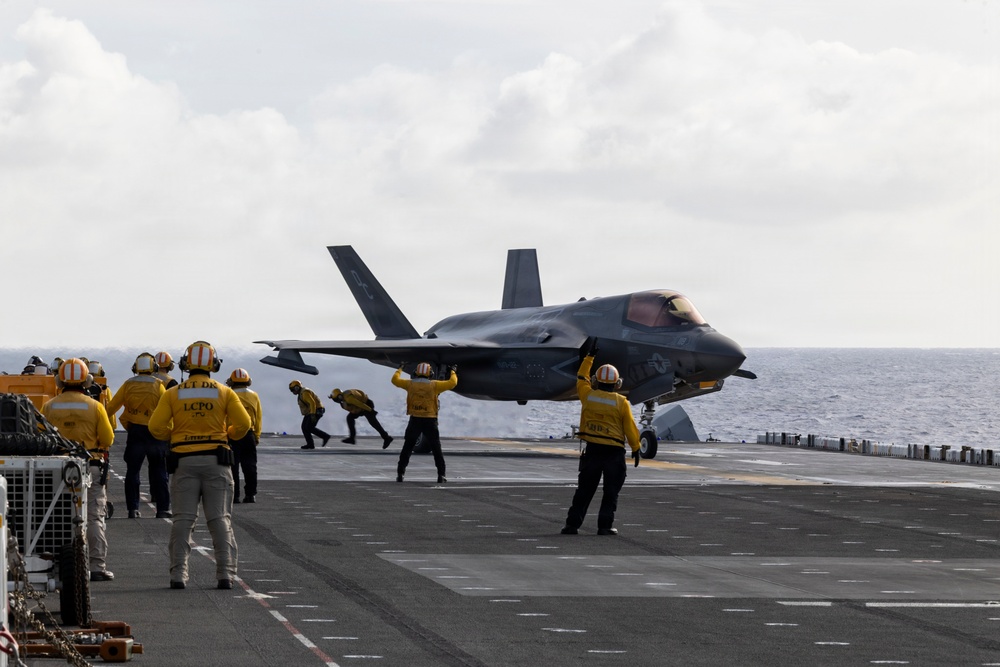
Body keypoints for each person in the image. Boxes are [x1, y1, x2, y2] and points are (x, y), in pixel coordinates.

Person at [148, 341, 250, 591]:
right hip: (217, 461)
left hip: (184, 461)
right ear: (213, 365)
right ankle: (225, 575)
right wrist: (228, 433)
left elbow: (155, 428)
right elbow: (244, 424)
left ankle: (178, 575)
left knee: (183, 520)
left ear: (185, 364)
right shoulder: (225, 392)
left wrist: (176, 435)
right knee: (219, 520)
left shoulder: (174, 393)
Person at [41, 358, 116, 581]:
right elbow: (108, 438)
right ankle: (96, 567)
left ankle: (58, 565)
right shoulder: (95, 406)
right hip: (89, 465)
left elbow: (40, 437)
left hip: (58, 468)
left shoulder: (49, 406)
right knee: (93, 517)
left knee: (57, 515)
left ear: (59, 380)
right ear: (87, 381)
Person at [561, 339, 641, 536]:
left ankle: (572, 525)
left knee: (584, 492)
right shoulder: (622, 402)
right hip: (614, 453)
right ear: (616, 383)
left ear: (596, 381)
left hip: (593, 451)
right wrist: (636, 448)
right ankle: (604, 527)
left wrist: (589, 357)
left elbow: (581, 377)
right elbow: (630, 428)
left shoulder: (587, 395)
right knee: (610, 493)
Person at [106, 352, 169, 519]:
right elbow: (166, 411)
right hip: (155, 433)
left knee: (132, 472)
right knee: (159, 471)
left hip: (135, 433)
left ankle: (133, 509)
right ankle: (163, 509)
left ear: (135, 368)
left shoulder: (128, 384)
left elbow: (111, 407)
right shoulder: (159, 385)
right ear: (154, 368)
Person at [391, 362, 457, 483]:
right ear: (430, 373)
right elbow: (453, 383)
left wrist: (400, 368)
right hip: (430, 420)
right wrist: (452, 371)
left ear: (416, 373)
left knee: (407, 448)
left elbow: (395, 380)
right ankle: (441, 475)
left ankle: (400, 473)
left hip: (414, 419)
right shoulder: (434, 385)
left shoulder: (409, 384)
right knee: (436, 449)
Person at [227, 368, 262, 504]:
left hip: (231, 434)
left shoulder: (228, 394)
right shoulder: (254, 395)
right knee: (250, 466)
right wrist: (257, 436)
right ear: (248, 381)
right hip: (249, 434)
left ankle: (235, 496)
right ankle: (251, 494)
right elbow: (258, 418)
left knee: (232, 467)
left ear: (231, 381)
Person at [288, 380, 329, 450]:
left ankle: (325, 436)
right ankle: (310, 444)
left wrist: (313, 415)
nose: (292, 392)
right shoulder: (301, 393)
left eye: (292, 389)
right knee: (304, 427)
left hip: (316, 410)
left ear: (297, 388)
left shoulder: (304, 393)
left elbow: (312, 403)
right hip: (311, 411)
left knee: (309, 427)